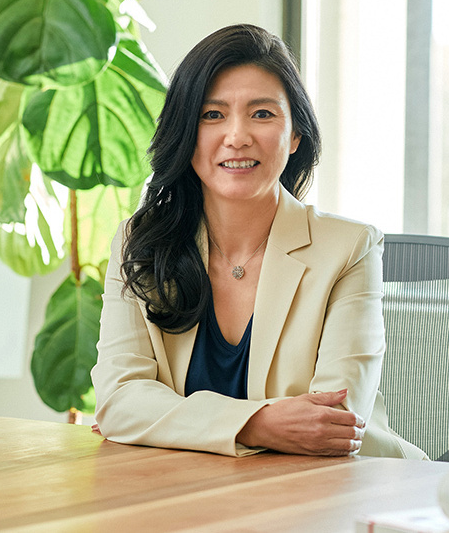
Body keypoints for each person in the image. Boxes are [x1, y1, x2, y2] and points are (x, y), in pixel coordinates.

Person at [91, 24, 425, 459]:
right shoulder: (142, 242)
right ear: (185, 133)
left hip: (341, 495)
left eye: (262, 114)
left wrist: (169, 419)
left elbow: (331, 424)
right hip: (196, 498)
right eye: (212, 115)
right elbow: (119, 403)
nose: (237, 136)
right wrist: (260, 423)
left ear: (296, 135)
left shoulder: (349, 248)